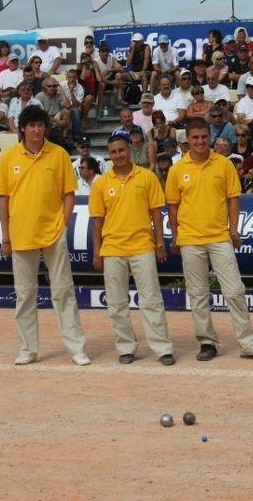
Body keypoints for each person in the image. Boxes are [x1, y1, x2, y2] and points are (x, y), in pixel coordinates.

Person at [165, 117, 253, 361]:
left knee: (234, 290)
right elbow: (173, 206)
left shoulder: (223, 164)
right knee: (198, 294)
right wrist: (176, 235)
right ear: (187, 140)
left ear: (209, 138)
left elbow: (234, 199)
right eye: (195, 138)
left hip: (220, 237)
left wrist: (233, 231)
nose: (200, 141)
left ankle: (249, 345)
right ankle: (207, 343)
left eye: (204, 137)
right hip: (190, 239)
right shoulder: (177, 169)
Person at [0, 105, 90, 367]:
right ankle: (28, 349)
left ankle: (76, 349)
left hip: (53, 234)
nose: (36, 130)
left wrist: (63, 224)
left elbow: (69, 193)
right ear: (22, 128)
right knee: (25, 294)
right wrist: (6, 237)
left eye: (40, 125)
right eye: (31, 125)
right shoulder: (9, 157)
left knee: (63, 292)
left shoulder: (58, 154)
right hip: (20, 234)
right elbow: (3, 200)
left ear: (45, 127)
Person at [89, 132, 174, 366]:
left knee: (151, 300)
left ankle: (162, 348)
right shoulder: (101, 184)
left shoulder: (147, 177)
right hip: (113, 249)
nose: (118, 155)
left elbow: (157, 214)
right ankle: (126, 347)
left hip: (142, 247)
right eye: (113, 152)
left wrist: (159, 244)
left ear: (130, 150)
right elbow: (97, 221)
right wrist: (97, 252)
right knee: (116, 303)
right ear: (110, 155)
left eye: (121, 150)